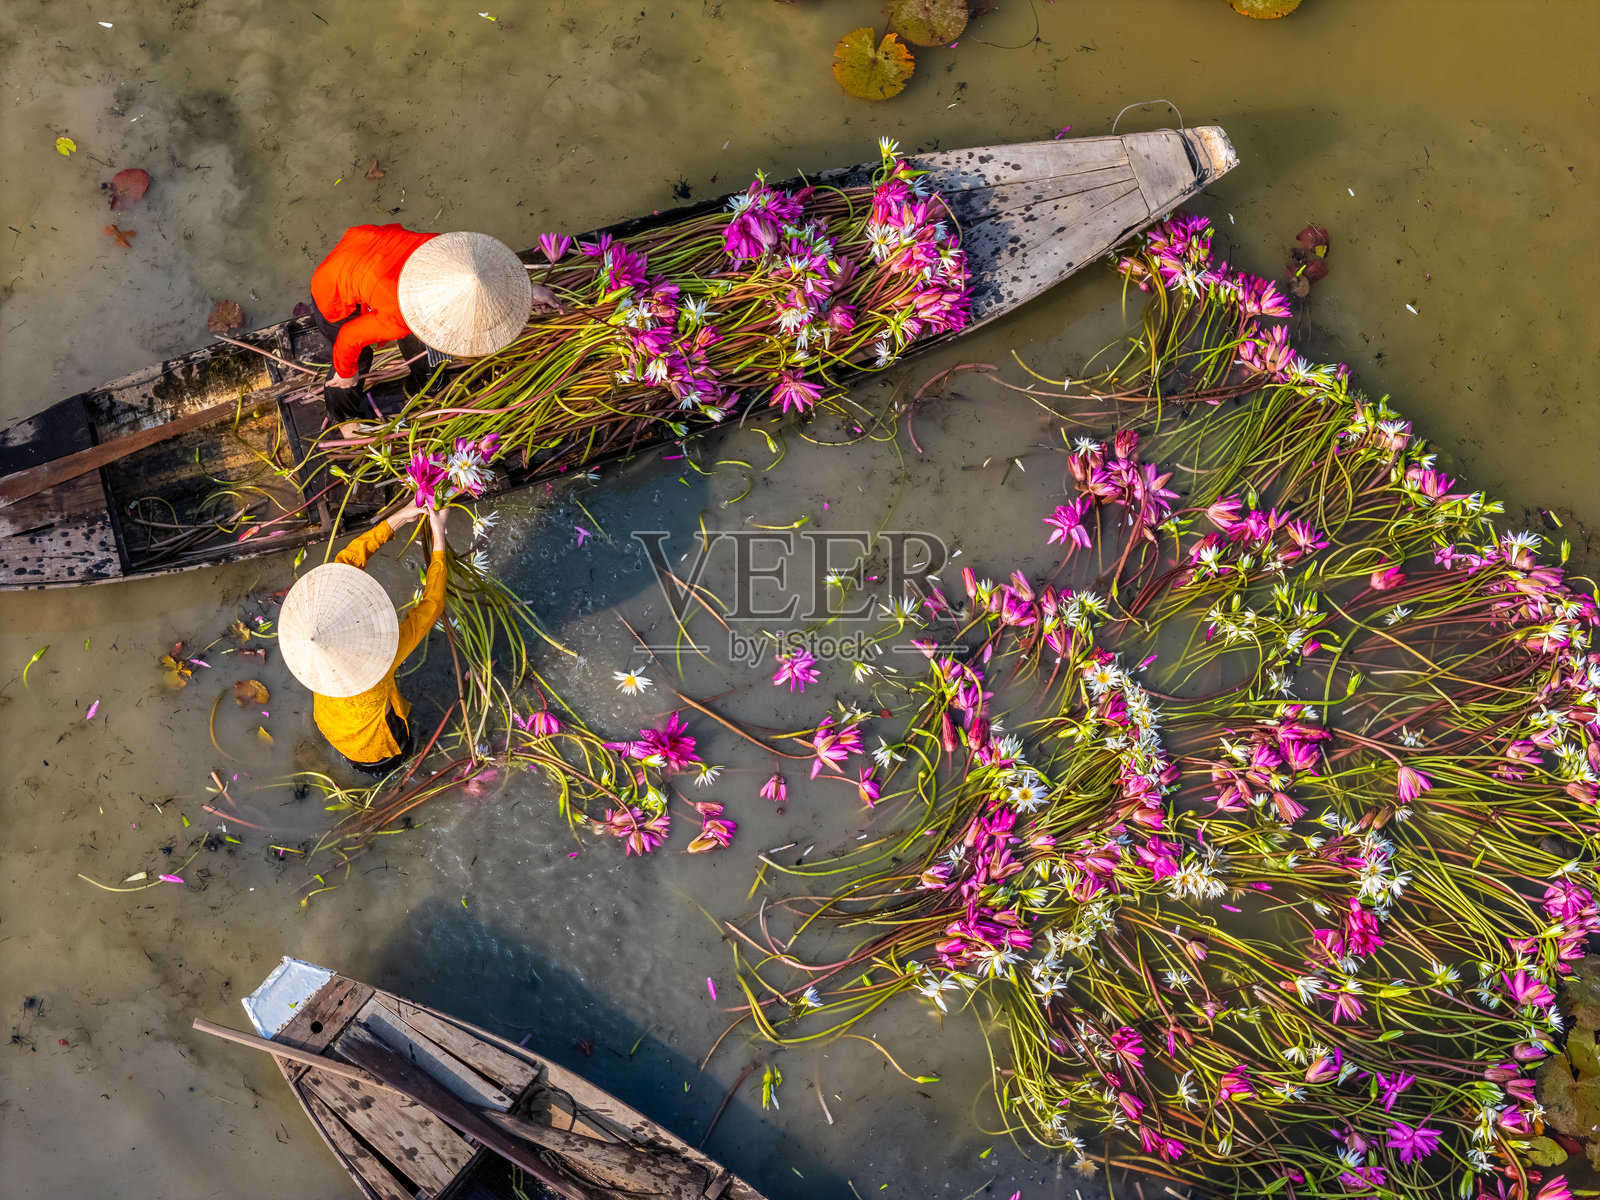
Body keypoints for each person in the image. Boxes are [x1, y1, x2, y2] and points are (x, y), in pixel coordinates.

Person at [308, 226, 535, 437]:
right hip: (333, 285)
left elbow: (488, 281)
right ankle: (344, 419)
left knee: (418, 331)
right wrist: (346, 373)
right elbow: (348, 337)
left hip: (374, 251)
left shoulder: (457, 257)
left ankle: (426, 383)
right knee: (357, 359)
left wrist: (530, 291)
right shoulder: (398, 313)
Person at [277, 500, 449, 776]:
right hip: (380, 745)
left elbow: (345, 563)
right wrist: (439, 535)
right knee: (396, 757)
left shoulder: (307, 643)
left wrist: (399, 519)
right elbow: (432, 605)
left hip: (332, 727)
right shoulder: (385, 655)